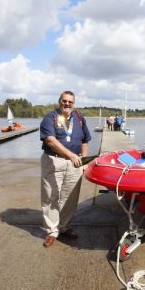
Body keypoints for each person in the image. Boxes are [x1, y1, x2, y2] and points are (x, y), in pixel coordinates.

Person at [40, 90, 91, 247]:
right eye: (64, 101)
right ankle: (51, 231)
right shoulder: (50, 117)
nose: (67, 104)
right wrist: (71, 155)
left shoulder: (79, 118)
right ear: (59, 101)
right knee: (50, 196)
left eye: (70, 101)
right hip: (54, 161)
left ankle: (63, 226)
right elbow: (50, 141)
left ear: (73, 104)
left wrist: (84, 160)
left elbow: (85, 140)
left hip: (75, 163)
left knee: (70, 197)